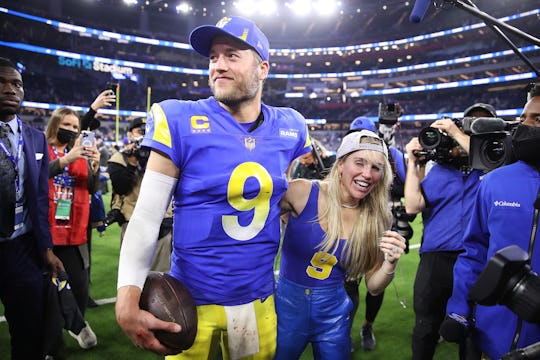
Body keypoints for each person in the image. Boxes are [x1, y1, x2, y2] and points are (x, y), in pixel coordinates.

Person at [115, 15, 311, 358]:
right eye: (213, 57)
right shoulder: (179, 119)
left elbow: (287, 194)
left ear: (262, 69)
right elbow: (147, 216)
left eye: (232, 55)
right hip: (189, 300)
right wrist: (127, 297)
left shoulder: (291, 126)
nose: (218, 65)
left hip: (258, 299)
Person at [275, 130, 407, 359]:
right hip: (285, 307)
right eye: (360, 163)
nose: (367, 174)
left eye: (376, 167)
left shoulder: (377, 218)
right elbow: (253, 209)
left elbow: (374, 286)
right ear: (341, 165)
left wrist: (390, 264)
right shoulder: (303, 192)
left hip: (333, 313)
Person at [442, 86, 540, 359]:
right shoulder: (496, 181)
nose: (525, 126)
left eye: (538, 119)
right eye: (524, 118)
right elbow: (474, 252)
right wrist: (459, 309)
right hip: (489, 338)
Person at [404, 103, 497, 360]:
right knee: (425, 327)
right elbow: (412, 205)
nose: (474, 131)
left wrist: (457, 132)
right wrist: (413, 163)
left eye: (482, 126)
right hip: (435, 258)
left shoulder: (494, 168)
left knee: (472, 332)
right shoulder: (438, 168)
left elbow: (489, 159)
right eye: (470, 124)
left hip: (477, 259)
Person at [0, 56, 63, 359]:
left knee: (28, 333)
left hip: (22, 247)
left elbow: (39, 199)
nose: (10, 89)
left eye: (16, 84)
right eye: (2, 82)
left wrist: (47, 248)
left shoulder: (36, 138)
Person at [343, 116, 411, 351]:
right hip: (350, 229)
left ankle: (367, 325)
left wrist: (391, 158)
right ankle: (344, 332)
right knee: (349, 285)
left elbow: (406, 185)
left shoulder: (390, 155)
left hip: (381, 225)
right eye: (355, 133)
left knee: (376, 284)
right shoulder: (346, 161)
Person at [45, 107, 101, 352]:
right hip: (47, 234)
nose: (71, 130)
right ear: (56, 124)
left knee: (79, 288)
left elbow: (90, 188)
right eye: (66, 125)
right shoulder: (40, 148)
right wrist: (66, 160)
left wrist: (95, 167)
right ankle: (50, 343)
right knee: (48, 293)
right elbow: (38, 175)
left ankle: (75, 323)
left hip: (75, 233)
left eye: (76, 128)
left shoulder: (78, 153)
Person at [107, 118, 173, 272]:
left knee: (160, 280)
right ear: (130, 135)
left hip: (162, 223)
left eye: (147, 131)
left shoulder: (164, 155)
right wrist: (132, 161)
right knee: (131, 278)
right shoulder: (119, 158)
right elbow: (121, 188)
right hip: (133, 223)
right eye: (139, 131)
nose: (144, 135)